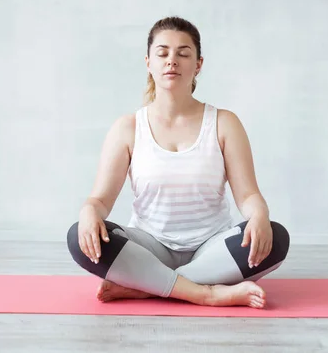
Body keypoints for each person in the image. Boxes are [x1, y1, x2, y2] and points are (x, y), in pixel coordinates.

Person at [66, 16, 290, 309]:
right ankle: (205, 293)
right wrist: (88, 212)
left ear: (198, 64)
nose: (172, 60)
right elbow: (100, 199)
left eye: (183, 53)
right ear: (149, 62)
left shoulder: (224, 123)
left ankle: (147, 286)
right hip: (148, 247)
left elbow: (248, 195)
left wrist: (259, 215)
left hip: (212, 247)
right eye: (163, 53)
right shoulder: (128, 128)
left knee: (276, 237)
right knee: (78, 238)